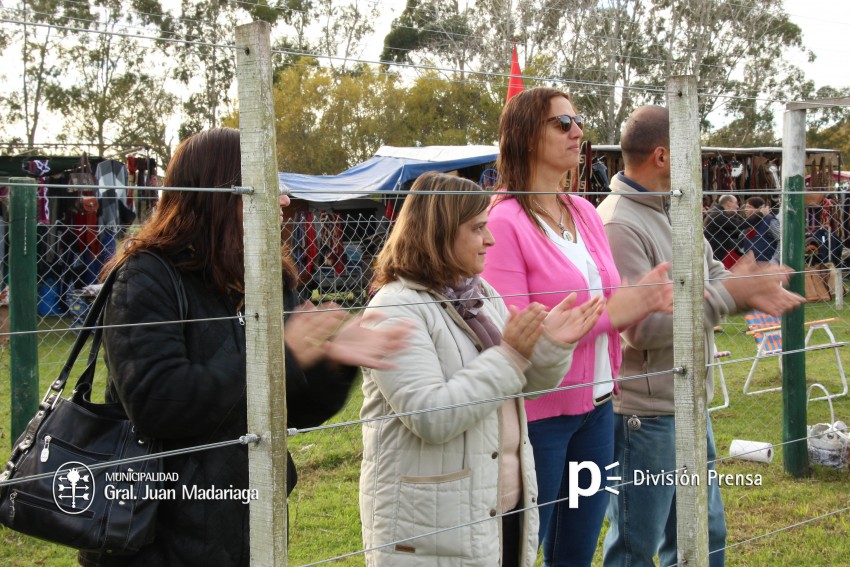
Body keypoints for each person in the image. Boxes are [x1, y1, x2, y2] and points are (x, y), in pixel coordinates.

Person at [78, 127, 409, 567]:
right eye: (270, 186)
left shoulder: (266, 279)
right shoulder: (146, 276)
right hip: (157, 530)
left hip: (250, 520)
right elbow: (156, 403)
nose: (285, 201)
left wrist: (333, 360)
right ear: (223, 192)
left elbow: (297, 408)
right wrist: (284, 356)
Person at [359, 171, 606, 567]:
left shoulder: (478, 295)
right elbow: (431, 416)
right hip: (433, 528)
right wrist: (510, 355)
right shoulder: (395, 308)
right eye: (477, 229)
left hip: (495, 511)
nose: (490, 240)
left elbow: (522, 386)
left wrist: (550, 347)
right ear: (438, 233)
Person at [596, 105, 805, 567]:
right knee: (636, 546)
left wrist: (742, 288)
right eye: (695, 149)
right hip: (645, 419)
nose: (703, 160)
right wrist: (731, 294)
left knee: (703, 535)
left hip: (690, 403)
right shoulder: (618, 224)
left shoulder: (678, 210)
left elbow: (712, 276)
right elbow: (641, 330)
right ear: (663, 155)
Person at [481, 87, 673, 567]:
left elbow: (605, 302)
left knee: (576, 551)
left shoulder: (585, 211)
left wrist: (635, 300)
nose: (578, 132)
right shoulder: (503, 222)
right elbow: (518, 331)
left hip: (599, 409)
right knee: (524, 548)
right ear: (525, 138)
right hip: (539, 418)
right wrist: (624, 308)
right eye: (562, 124)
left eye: (578, 120)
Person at [704, 194, 744, 267]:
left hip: (716, 253)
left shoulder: (716, 212)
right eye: (736, 203)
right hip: (717, 254)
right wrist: (759, 215)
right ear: (728, 203)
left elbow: (730, 231)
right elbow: (738, 224)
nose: (738, 207)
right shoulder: (718, 214)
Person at [740, 196, 779, 262]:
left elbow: (781, 240)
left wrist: (774, 260)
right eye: (745, 207)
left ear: (759, 209)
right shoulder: (748, 223)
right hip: (751, 265)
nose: (745, 209)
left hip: (767, 263)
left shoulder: (769, 220)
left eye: (749, 207)